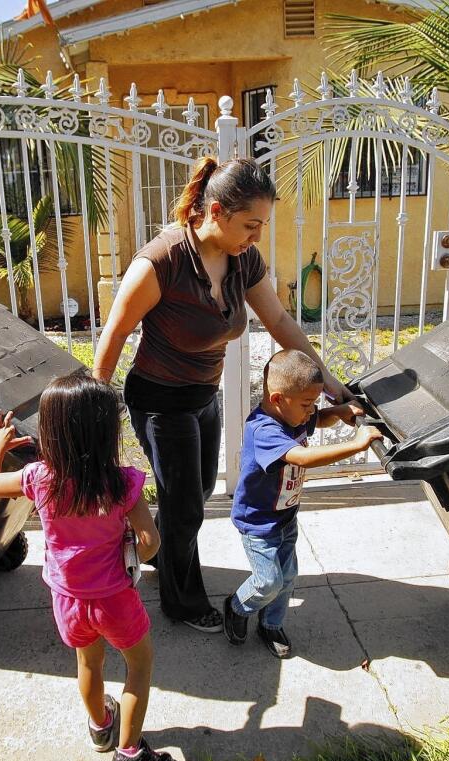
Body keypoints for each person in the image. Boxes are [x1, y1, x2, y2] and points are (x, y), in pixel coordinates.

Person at [92, 156, 352, 634]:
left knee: (197, 492)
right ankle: (182, 601)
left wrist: (327, 379)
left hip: (201, 394)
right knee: (186, 503)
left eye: (262, 225)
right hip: (158, 397)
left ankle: (157, 551)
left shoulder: (243, 260)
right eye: (250, 225)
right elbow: (115, 332)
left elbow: (279, 322)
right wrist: (96, 404)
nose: (256, 237)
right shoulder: (162, 261)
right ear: (216, 211)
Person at [0, 375, 179, 761]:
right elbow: (150, 541)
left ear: (50, 430)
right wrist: (130, 558)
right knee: (139, 665)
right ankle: (129, 755)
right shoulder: (123, 483)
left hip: (68, 600)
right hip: (115, 600)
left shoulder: (38, 479)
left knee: (88, 663)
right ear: (107, 431)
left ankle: (102, 726)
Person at [224, 349, 383, 658]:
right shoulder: (263, 430)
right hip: (258, 524)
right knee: (268, 581)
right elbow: (304, 457)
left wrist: (337, 413)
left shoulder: (293, 415)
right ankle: (237, 606)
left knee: (287, 578)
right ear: (278, 399)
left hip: (286, 516)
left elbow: (315, 421)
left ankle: (270, 624)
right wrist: (355, 445)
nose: (311, 412)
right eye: (307, 404)